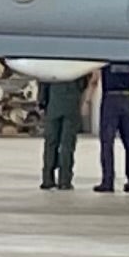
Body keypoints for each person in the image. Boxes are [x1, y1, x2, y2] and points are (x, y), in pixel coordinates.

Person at [96, 58, 129, 193]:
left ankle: (108, 181)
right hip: (127, 99)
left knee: (107, 143)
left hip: (110, 99)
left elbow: (94, 78)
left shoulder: (105, 59)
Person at [35, 65, 89, 193]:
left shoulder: (51, 67)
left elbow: (44, 85)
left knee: (51, 143)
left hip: (53, 106)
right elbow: (83, 85)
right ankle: (65, 181)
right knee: (67, 145)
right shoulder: (75, 67)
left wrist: (42, 103)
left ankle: (48, 179)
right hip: (71, 107)